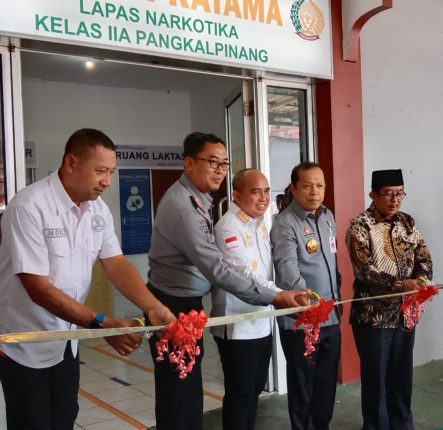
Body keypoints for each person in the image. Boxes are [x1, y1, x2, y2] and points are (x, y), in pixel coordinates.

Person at [0, 128, 175, 430]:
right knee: (33, 423)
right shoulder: (29, 207)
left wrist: (154, 307)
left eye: (111, 172)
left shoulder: (97, 210)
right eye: (100, 171)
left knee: (65, 417)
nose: (107, 181)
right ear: (71, 163)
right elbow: (38, 288)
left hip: (67, 339)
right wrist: (102, 323)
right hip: (25, 342)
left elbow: (116, 263)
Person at [146, 132, 310, 430]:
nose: (220, 170)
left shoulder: (201, 201)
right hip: (174, 307)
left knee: (189, 396)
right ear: (189, 163)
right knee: (180, 398)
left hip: (191, 305)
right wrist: (276, 296)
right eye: (213, 162)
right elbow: (219, 269)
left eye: (224, 163)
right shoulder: (187, 208)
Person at [345, 169, 433, 430]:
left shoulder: (407, 222)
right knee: (376, 381)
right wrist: (401, 285)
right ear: (373, 195)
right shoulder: (360, 225)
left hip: (405, 314)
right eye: (388, 194)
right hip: (373, 318)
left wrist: (422, 280)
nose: (395, 200)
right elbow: (364, 271)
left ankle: (403, 425)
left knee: (402, 376)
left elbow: (423, 256)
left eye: (400, 193)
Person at [270, 161, 341, 430]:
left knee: (326, 382)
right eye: (308, 186)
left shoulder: (327, 216)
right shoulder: (285, 223)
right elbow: (288, 272)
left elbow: (332, 262)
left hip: (331, 316)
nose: (314, 192)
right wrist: (309, 306)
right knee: (303, 384)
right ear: (294, 188)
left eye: (320, 185)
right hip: (303, 321)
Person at [212, 168, 279, 430]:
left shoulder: (259, 223)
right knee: (240, 395)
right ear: (236, 195)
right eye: (255, 192)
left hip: (262, 320)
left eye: (266, 191)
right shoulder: (228, 227)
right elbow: (246, 276)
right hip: (237, 327)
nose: (263, 198)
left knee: (254, 390)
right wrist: (282, 295)